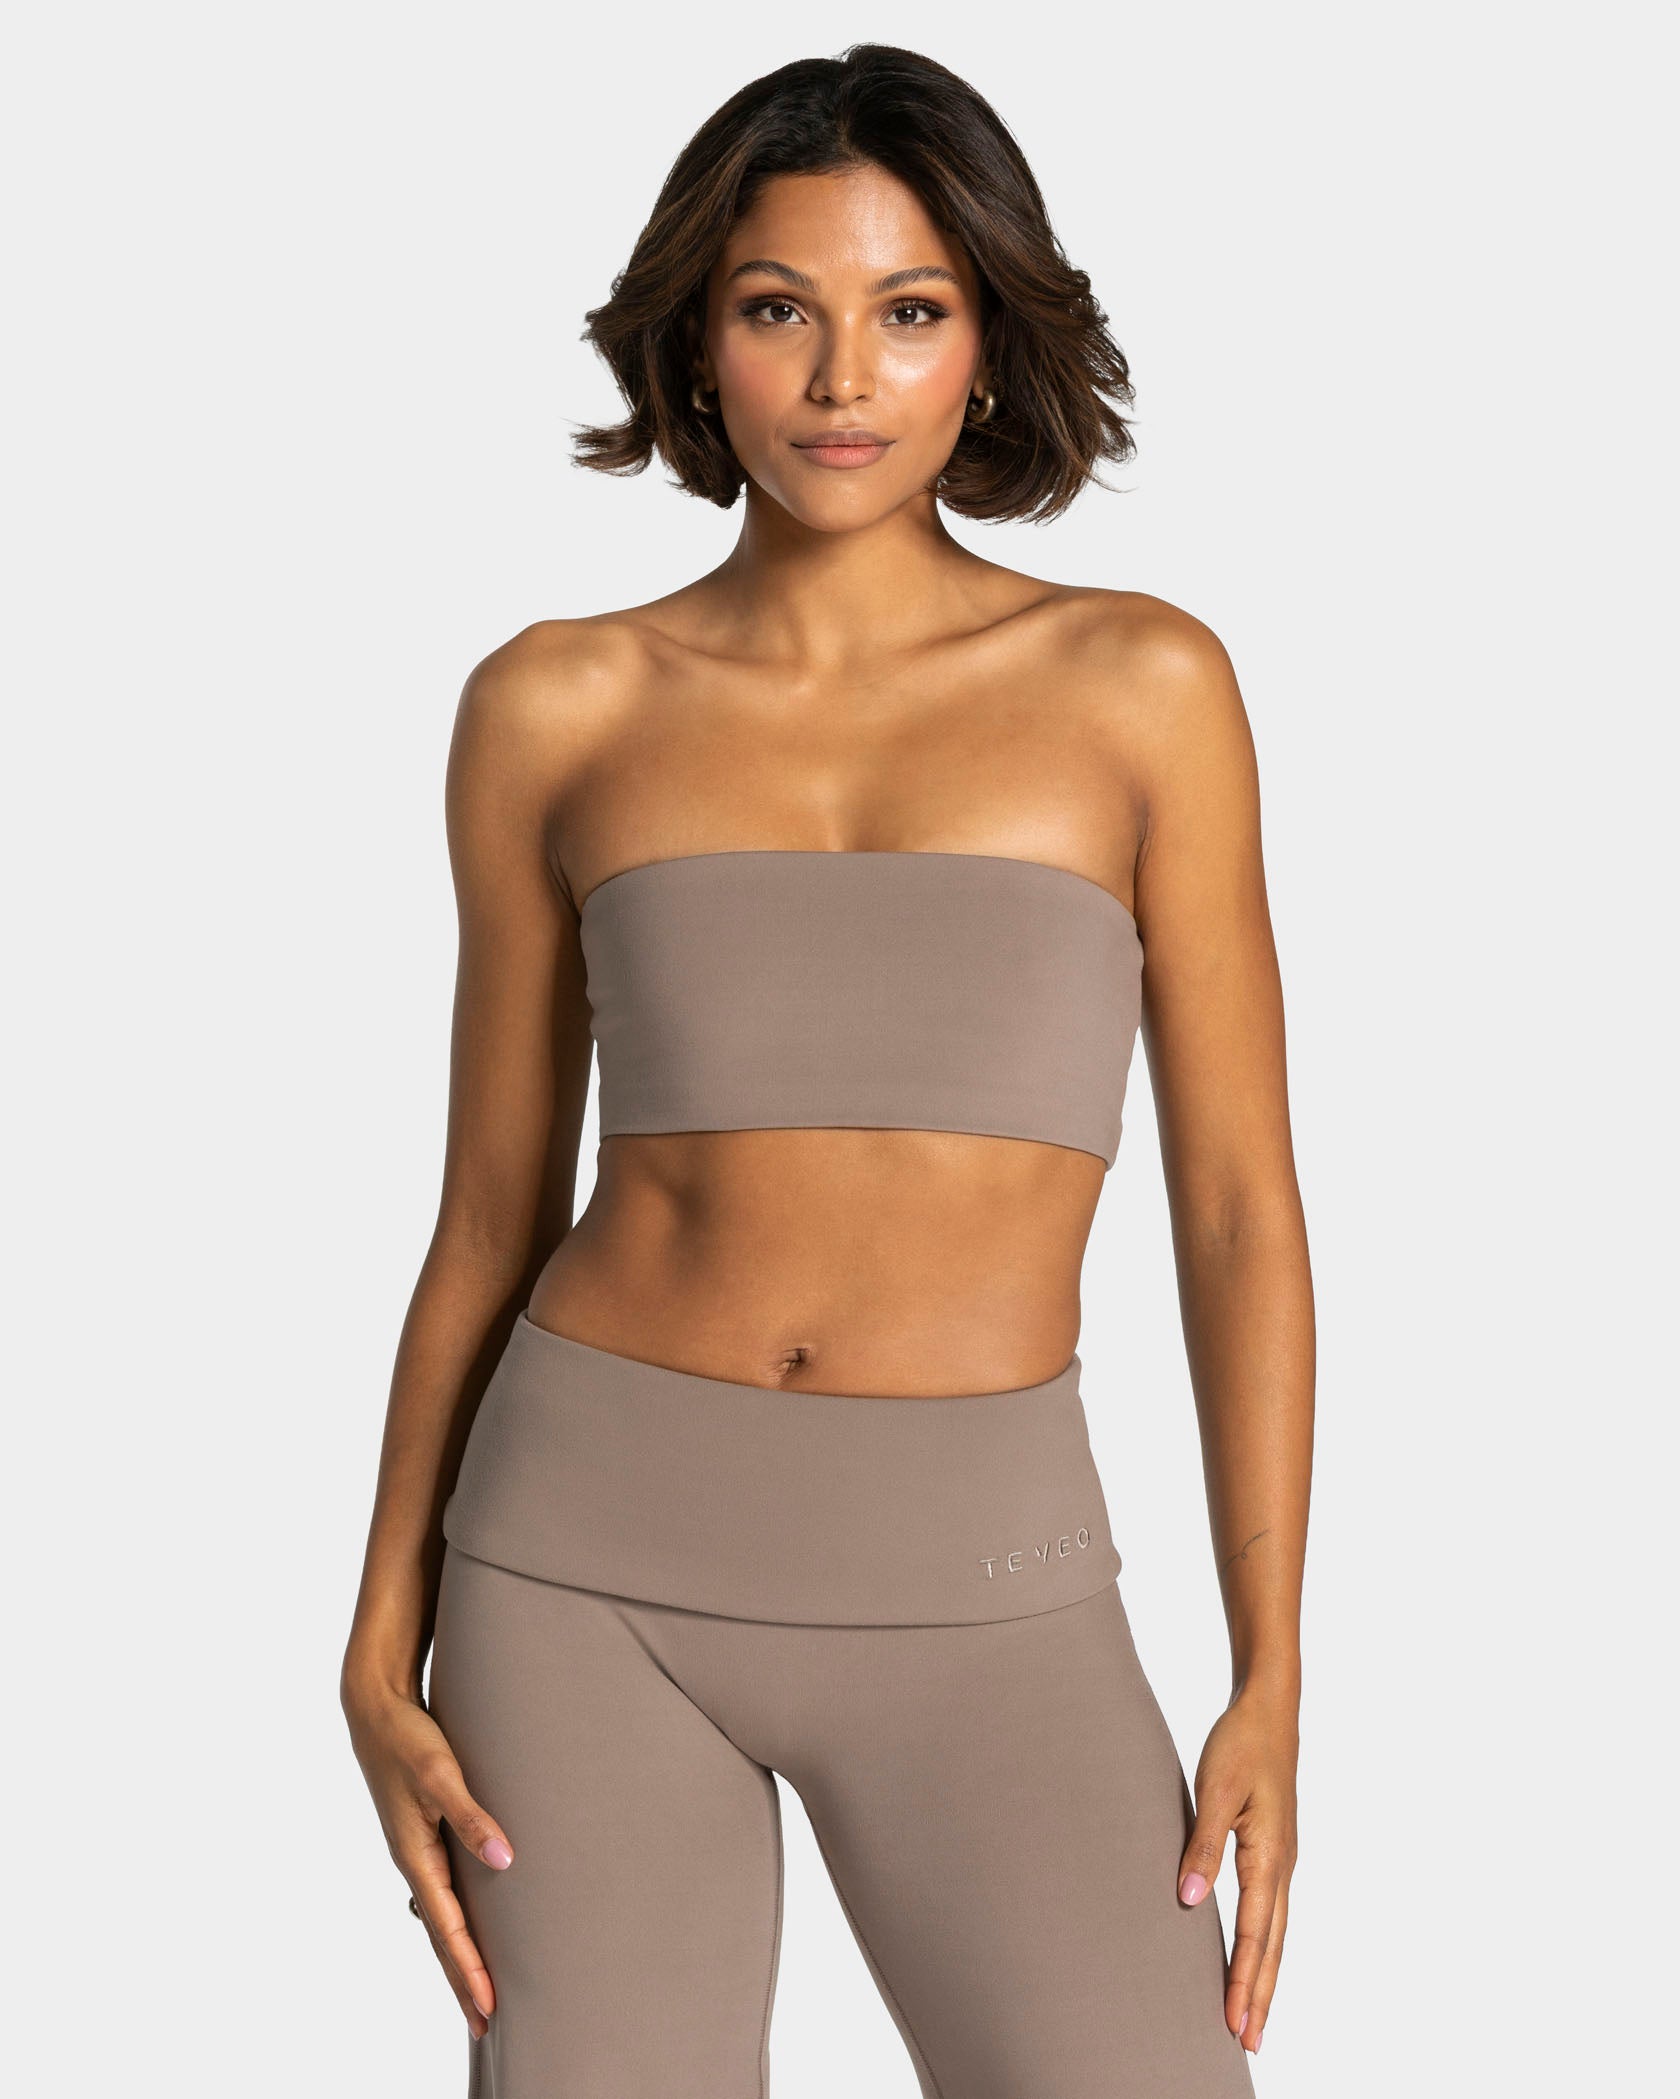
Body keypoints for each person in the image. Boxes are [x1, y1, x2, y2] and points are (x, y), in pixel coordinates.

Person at [341, 41, 1311, 2098]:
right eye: (780, 308)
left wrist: (1272, 1669)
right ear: (699, 342)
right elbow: (491, 1215)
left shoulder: (1142, 686)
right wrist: (375, 1624)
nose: (843, 377)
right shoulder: (557, 704)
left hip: (991, 1584)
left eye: (911, 311)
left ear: (992, 343)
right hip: (581, 1575)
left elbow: (1238, 1211)